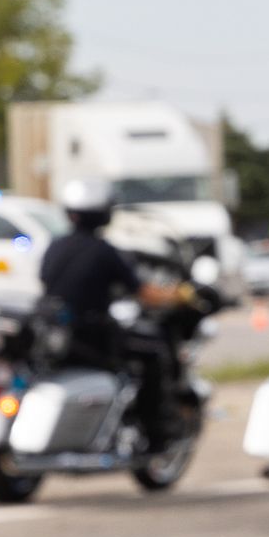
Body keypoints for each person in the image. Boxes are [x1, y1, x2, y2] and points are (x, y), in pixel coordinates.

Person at [43, 177, 190, 449]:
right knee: (153, 353)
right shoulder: (104, 250)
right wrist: (180, 294)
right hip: (93, 337)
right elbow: (144, 292)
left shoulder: (55, 246)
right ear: (104, 213)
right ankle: (157, 431)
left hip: (56, 334)